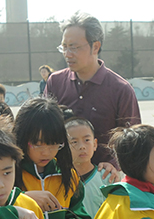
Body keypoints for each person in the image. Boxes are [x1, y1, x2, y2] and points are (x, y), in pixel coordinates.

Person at [44, 12, 141, 169]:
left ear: (95, 46)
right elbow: (44, 130)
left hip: (103, 181)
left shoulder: (120, 89)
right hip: (61, 178)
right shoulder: (55, 82)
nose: (68, 54)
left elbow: (134, 142)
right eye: (64, 47)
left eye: (74, 47)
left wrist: (112, 165)